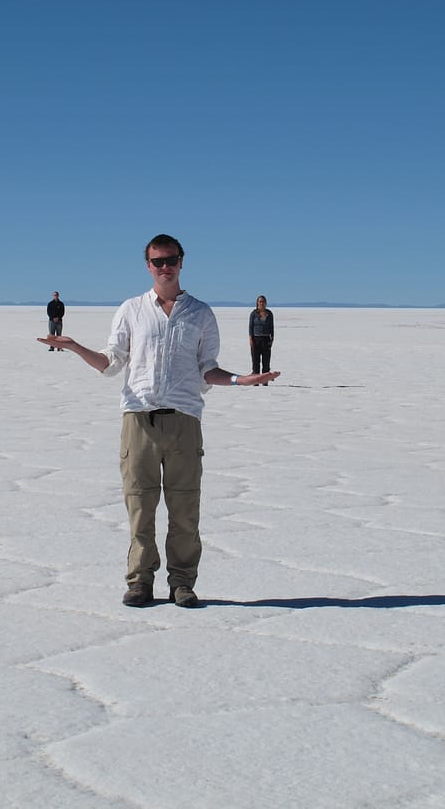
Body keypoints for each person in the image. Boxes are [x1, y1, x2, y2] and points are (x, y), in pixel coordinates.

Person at [37, 233, 280, 608]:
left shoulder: (200, 314)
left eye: (171, 260)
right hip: (138, 421)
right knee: (140, 507)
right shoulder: (131, 310)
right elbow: (111, 363)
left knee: (185, 509)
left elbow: (207, 370)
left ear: (182, 262)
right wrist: (74, 348)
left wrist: (239, 380)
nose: (164, 267)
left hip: (184, 421)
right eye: (157, 261)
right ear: (148, 266)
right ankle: (140, 582)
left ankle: (182, 583)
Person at [249, 295, 274, 381]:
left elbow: (272, 327)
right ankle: (255, 379)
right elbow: (250, 327)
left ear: (266, 303)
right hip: (256, 339)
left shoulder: (269, 314)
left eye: (263, 301)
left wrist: (272, 339)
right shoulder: (253, 314)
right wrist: (250, 339)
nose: (261, 303)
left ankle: (265, 380)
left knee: (266, 361)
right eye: (260, 301)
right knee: (255, 360)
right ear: (257, 303)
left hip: (266, 339)